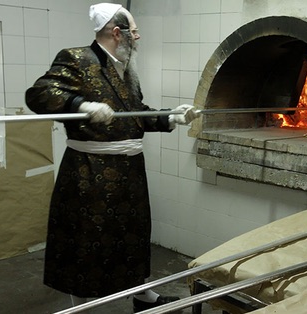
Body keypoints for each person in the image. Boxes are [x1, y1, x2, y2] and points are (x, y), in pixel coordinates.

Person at [25, 3, 199, 312]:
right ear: (117, 33)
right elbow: (38, 93)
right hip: (89, 171)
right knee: (86, 241)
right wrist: (82, 105)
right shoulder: (77, 58)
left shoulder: (126, 68)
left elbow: (136, 114)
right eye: (135, 31)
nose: (139, 37)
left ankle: (142, 298)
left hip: (129, 171)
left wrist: (171, 116)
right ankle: (79, 306)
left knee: (132, 238)